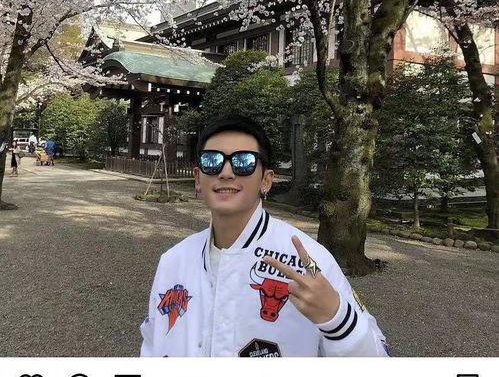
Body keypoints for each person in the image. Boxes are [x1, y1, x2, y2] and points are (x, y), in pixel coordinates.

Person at [140, 115, 389, 357]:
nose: (226, 172)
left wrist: (336, 318)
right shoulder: (173, 261)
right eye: (212, 160)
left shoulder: (309, 261)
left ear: (266, 181)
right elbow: (151, 347)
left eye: (244, 162)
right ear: (198, 178)